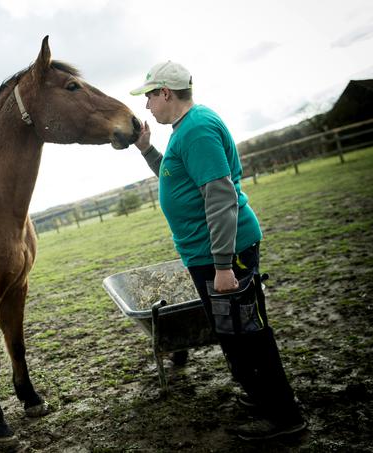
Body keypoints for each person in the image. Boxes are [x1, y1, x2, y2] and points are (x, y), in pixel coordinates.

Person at [129, 61, 306, 441]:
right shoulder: (185, 130)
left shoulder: (196, 131)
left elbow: (221, 197)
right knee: (233, 332)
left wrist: (225, 265)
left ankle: (284, 418)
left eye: (149, 97)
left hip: (222, 254)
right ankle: (263, 398)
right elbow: (178, 179)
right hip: (209, 254)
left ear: (165, 92)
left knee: (248, 335)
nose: (147, 107)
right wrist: (147, 150)